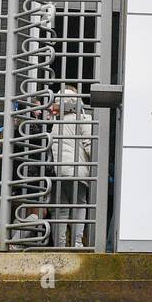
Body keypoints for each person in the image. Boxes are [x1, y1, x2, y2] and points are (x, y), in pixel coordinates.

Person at [48, 85, 92, 248]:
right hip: (77, 171)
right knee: (79, 206)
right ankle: (76, 243)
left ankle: (59, 245)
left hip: (59, 171)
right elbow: (90, 146)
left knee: (61, 209)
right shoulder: (83, 119)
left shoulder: (55, 124)